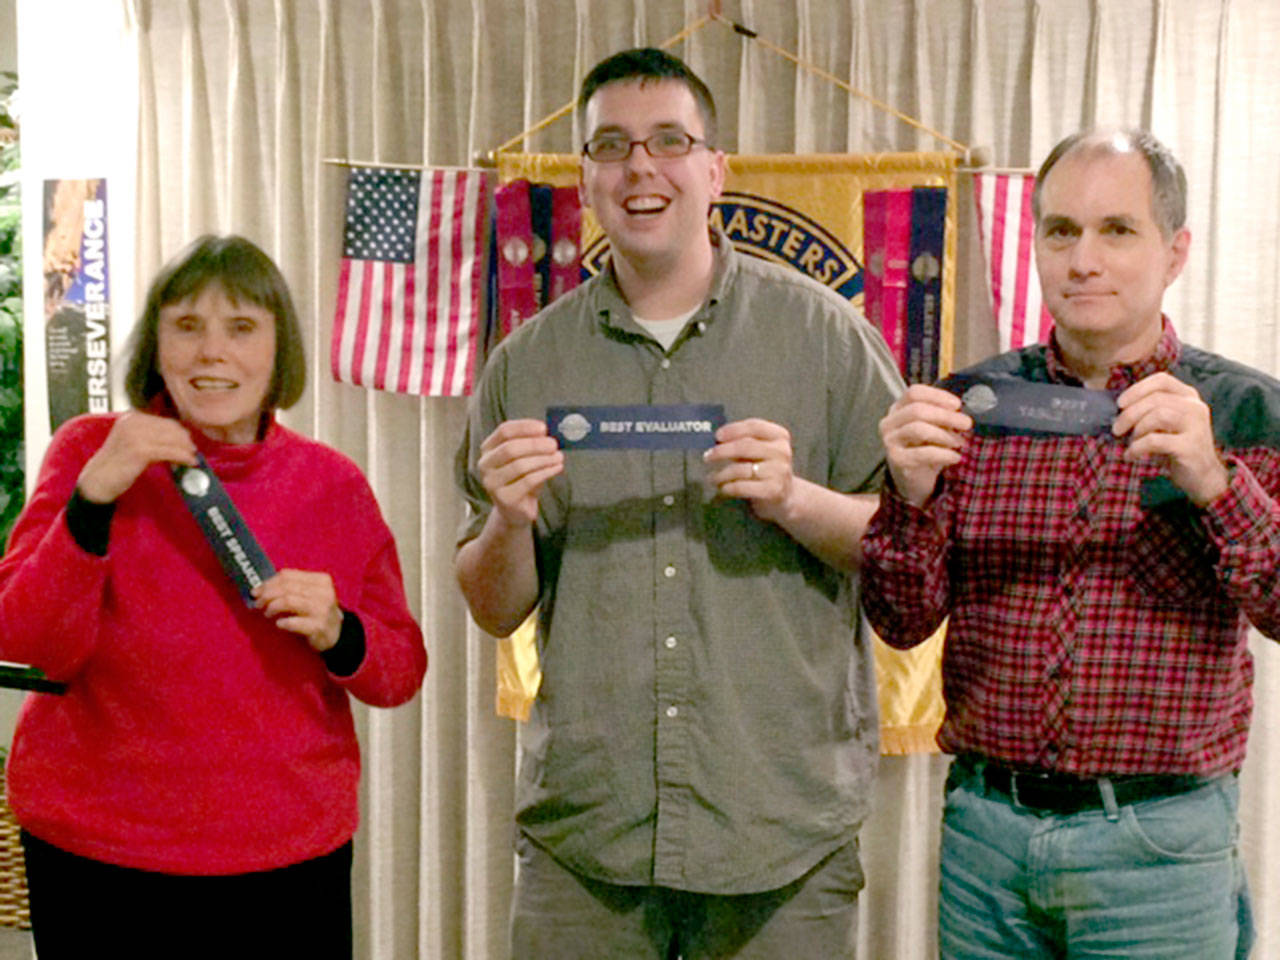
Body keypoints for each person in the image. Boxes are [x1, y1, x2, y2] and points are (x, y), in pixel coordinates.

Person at [455, 47, 903, 958]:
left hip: (782, 839)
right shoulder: (528, 363)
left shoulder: (825, 336)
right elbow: (494, 604)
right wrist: (505, 519)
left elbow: (907, 551)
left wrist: (797, 500)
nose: (639, 168)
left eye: (668, 140)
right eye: (611, 146)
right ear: (585, 176)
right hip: (587, 843)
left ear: (714, 169)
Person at [862, 129, 1280, 958]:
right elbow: (900, 622)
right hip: (986, 836)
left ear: (1175, 250)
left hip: (1159, 850)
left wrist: (1214, 481)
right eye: (1060, 230)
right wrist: (906, 500)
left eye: (1116, 230)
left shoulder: (1244, 412)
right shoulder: (970, 407)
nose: (1083, 258)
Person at [0, 234, 427, 958]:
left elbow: (400, 672)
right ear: (156, 344)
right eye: (187, 326)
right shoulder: (89, 451)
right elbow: (25, 638)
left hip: (284, 861)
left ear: (277, 348)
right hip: (99, 856)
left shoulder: (333, 485)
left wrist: (339, 631)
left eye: (241, 327)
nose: (211, 353)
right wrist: (94, 498)